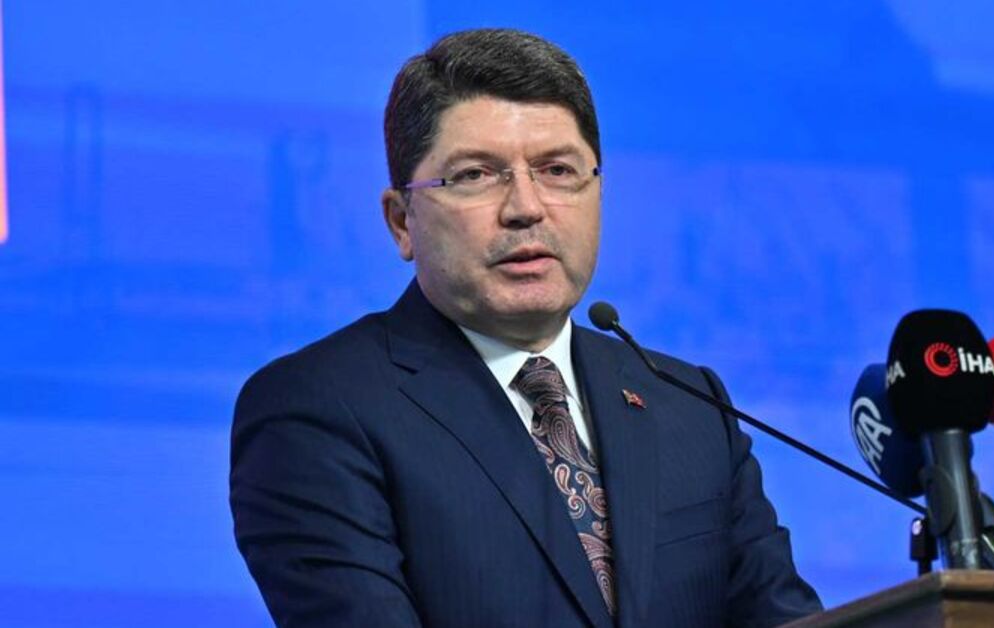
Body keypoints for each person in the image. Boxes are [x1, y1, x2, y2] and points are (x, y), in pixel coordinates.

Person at [230, 28, 822, 628]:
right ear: (401, 221)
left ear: (598, 192)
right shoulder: (317, 409)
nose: (526, 207)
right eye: (475, 175)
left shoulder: (689, 404)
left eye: (557, 170)